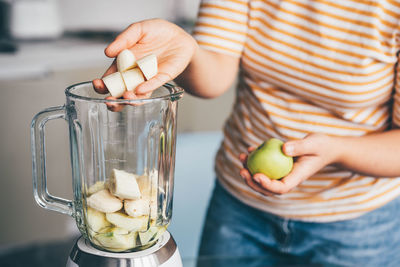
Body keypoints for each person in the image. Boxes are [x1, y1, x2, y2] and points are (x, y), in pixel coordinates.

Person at [93, 0, 400, 265]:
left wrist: (336, 150)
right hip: (239, 209)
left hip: (358, 225)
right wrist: (186, 50)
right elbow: (214, 74)